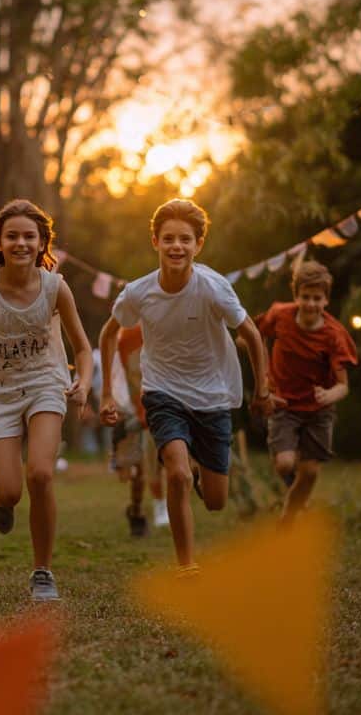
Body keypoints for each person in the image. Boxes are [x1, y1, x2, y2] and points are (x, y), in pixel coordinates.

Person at [98, 199, 269, 574]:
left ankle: (190, 457)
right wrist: (108, 393)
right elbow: (108, 334)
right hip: (163, 391)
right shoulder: (139, 293)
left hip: (213, 394)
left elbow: (252, 335)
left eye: (185, 239)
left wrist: (262, 390)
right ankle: (186, 565)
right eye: (169, 238)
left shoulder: (214, 288)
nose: (177, 246)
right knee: (177, 474)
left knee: (215, 500)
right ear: (156, 242)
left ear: (198, 245)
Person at [0, 199, 94, 602]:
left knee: (41, 474)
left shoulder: (55, 287)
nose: (21, 243)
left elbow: (82, 347)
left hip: (45, 383)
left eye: (30, 236)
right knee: (10, 492)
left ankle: (42, 572)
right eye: (12, 236)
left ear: (43, 242)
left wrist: (86, 383)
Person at [252, 259, 357, 523]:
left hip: (318, 411)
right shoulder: (280, 315)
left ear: (326, 301)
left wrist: (328, 395)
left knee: (309, 472)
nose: (311, 304)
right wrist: (263, 371)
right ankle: (293, 498)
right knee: (285, 464)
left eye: (317, 298)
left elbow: (343, 386)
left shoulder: (333, 335)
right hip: (284, 404)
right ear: (296, 296)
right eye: (305, 297)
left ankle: (290, 514)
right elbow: (252, 337)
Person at [109, 324, 167, 536]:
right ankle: (136, 509)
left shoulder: (158, 328)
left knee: (160, 461)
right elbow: (117, 376)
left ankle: (158, 507)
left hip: (156, 408)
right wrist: (124, 408)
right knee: (135, 473)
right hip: (130, 410)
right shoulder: (121, 337)